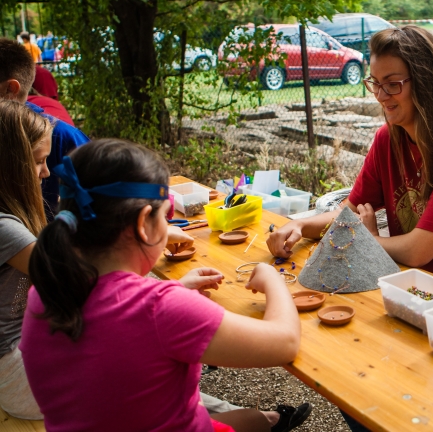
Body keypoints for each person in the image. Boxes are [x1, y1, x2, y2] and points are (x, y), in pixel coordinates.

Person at [21, 139, 312, 432]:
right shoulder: (161, 308)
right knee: (251, 421)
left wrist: (176, 294)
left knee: (253, 419)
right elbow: (285, 343)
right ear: (144, 221)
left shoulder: (45, 293)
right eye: (166, 214)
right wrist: (274, 281)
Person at [267, 26, 433, 290]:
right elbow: (346, 214)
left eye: (393, 84)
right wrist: (300, 225)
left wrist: (367, 239)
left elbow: (418, 251)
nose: (381, 96)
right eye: (375, 83)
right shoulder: (389, 138)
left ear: (426, 81)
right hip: (426, 288)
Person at [0, 100, 53, 420]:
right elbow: (78, 278)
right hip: (15, 374)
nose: (46, 172)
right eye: (38, 162)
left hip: (26, 349)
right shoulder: (4, 228)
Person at [0, 37, 90, 220]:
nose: (46, 172)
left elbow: (104, 200)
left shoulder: (60, 137)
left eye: (42, 159)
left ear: (10, 89)